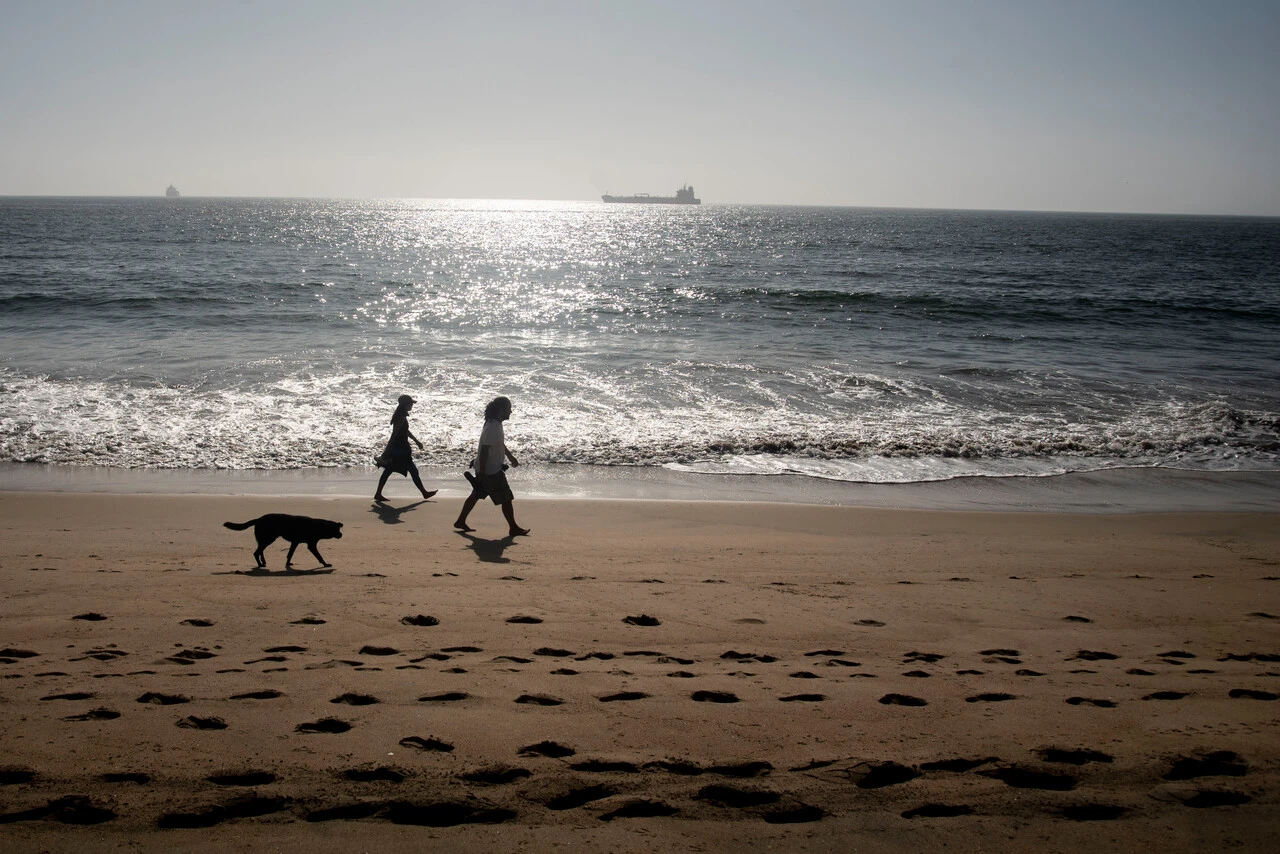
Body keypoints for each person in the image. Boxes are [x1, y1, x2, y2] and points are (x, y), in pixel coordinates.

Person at [454, 396, 529, 536]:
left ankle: (460, 520)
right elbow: (484, 451)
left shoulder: (494, 424)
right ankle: (513, 527)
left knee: (476, 494)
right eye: (508, 409)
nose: (510, 412)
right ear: (501, 410)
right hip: (490, 471)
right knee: (506, 498)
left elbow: (498, 443)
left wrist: (510, 456)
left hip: (489, 469)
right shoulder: (493, 426)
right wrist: (482, 474)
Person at [374, 394, 437, 502]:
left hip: (400, 448)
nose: (412, 405)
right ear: (405, 404)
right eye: (410, 403)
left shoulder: (401, 416)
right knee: (412, 470)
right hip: (400, 449)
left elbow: (405, 431)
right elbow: (394, 435)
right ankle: (424, 493)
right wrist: (386, 452)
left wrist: (416, 441)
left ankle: (378, 493)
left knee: (390, 469)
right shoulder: (401, 417)